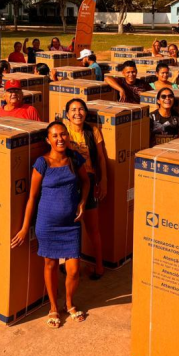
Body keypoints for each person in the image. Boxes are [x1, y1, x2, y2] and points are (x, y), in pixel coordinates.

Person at [12, 121, 91, 328]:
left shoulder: (75, 158)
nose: (60, 139)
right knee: (50, 265)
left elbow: (86, 182)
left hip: (71, 224)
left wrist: (82, 202)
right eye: (55, 136)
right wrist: (24, 227)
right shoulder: (42, 163)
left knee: (73, 270)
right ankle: (54, 306)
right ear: (48, 140)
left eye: (63, 134)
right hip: (47, 224)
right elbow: (32, 197)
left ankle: (69, 303)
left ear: (68, 136)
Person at [64, 98, 108, 279]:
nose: (77, 113)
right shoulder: (63, 131)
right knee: (69, 226)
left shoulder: (93, 131)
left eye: (81, 109)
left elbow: (101, 158)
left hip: (88, 180)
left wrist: (103, 180)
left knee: (92, 227)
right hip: (68, 181)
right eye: (73, 110)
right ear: (67, 114)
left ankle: (99, 266)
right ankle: (69, 263)